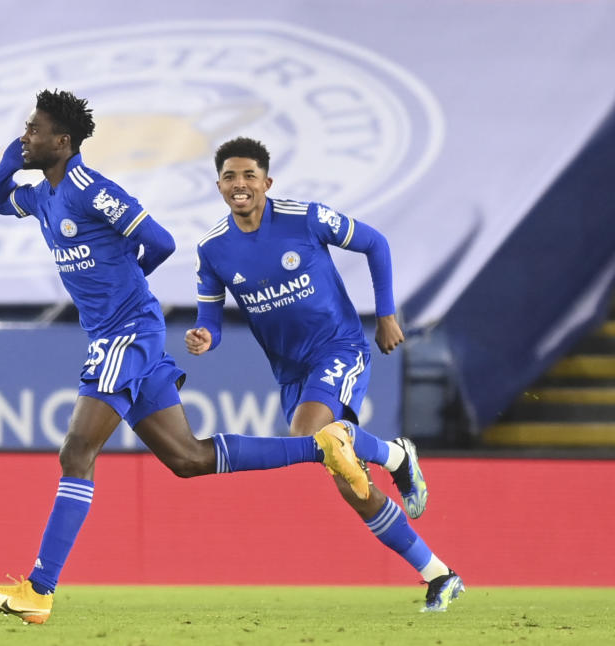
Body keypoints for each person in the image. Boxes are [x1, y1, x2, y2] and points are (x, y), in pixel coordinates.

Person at [0, 91, 370, 625]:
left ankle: (39, 589)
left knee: (76, 451)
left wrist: (128, 288)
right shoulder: (45, 195)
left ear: (62, 142)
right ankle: (320, 446)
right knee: (188, 459)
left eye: (34, 130)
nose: (26, 135)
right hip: (115, 335)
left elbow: (157, 240)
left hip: (127, 333)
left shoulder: (92, 191)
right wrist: (11, 156)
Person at [186, 136, 465, 613]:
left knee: (310, 434)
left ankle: (395, 454)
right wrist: (204, 338)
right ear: (218, 185)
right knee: (345, 478)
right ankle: (438, 573)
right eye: (230, 176)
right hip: (291, 372)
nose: (239, 184)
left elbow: (375, 243)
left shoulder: (305, 217)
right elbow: (210, 320)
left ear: (267, 182)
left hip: (339, 346)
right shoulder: (213, 249)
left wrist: (387, 315)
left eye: (249, 175)